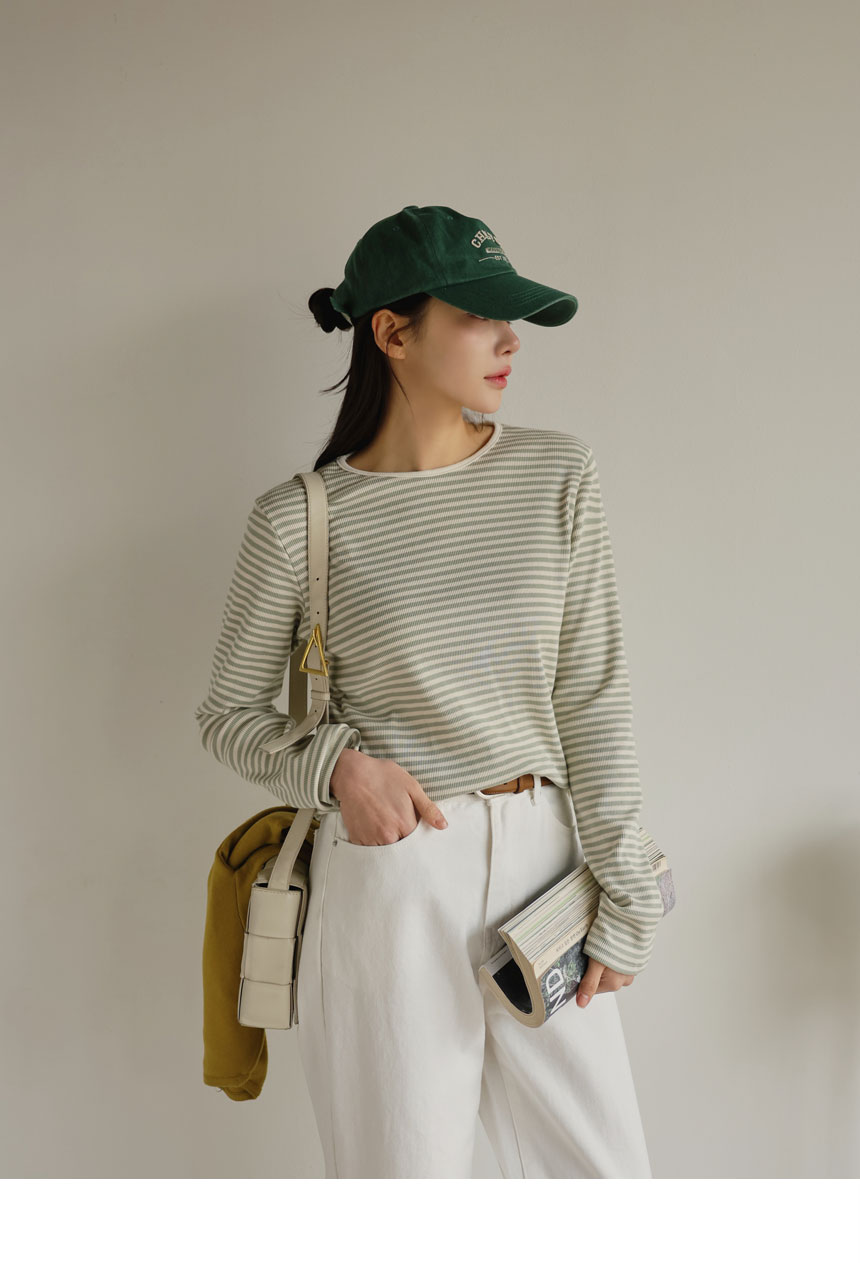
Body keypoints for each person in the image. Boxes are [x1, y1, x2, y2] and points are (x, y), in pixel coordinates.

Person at [194, 204, 665, 1178]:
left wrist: (627, 892)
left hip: (545, 868)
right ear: (393, 332)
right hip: (394, 879)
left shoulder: (555, 472)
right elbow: (227, 717)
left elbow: (592, 693)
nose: (508, 340)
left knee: (605, 1189)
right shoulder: (298, 520)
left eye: (511, 318)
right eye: (478, 316)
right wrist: (338, 771)